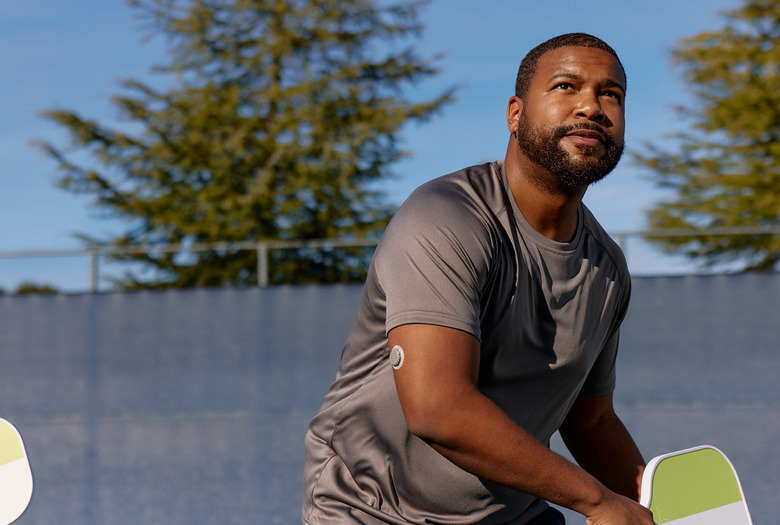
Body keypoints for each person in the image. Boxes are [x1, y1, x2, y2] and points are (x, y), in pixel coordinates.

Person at [303, 33, 655, 525]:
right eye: (565, 86)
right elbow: (437, 410)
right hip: (374, 512)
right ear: (515, 114)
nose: (592, 107)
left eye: (610, 94)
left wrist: (660, 512)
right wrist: (597, 502)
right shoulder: (445, 218)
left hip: (512, 516)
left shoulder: (609, 269)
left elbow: (591, 419)